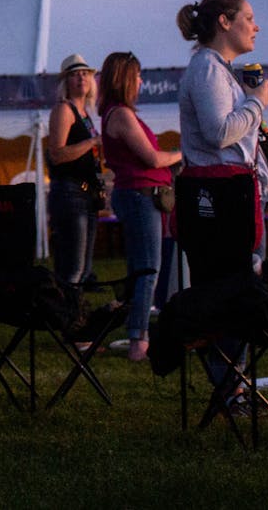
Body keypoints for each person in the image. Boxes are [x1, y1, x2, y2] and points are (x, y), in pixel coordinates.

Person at [174, 0, 268, 412]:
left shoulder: (219, 70)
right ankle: (231, 389)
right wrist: (257, 103)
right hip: (218, 197)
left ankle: (234, 386)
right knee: (230, 291)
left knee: (235, 288)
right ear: (225, 22)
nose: (256, 25)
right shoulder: (207, 71)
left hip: (229, 192)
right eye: (249, 17)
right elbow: (218, 133)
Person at [98, 51, 183, 363]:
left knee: (140, 268)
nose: (141, 81)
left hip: (137, 194)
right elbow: (152, 158)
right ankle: (139, 341)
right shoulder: (120, 114)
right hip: (140, 194)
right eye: (137, 75)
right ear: (125, 79)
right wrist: (181, 152)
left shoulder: (115, 113)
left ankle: (136, 331)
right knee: (149, 268)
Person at [43, 53, 105, 307]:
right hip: (70, 193)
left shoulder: (85, 113)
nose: (81, 78)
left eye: (85, 73)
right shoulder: (64, 110)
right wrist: (91, 142)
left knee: (83, 267)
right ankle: (70, 325)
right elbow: (56, 154)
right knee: (73, 268)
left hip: (86, 194)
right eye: (74, 74)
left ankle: (74, 321)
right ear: (66, 81)